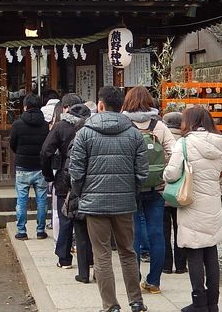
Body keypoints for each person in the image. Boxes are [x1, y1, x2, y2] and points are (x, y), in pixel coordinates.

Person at [70, 86, 149, 312]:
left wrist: (82, 192)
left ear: (100, 105)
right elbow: (142, 172)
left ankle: (110, 305)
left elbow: (76, 171)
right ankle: (136, 301)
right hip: (125, 202)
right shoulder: (134, 133)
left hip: (94, 203)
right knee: (127, 251)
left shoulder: (84, 133)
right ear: (121, 106)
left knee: (102, 253)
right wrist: (131, 191)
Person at [163, 105, 222, 312]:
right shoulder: (221, 143)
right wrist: (218, 189)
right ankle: (212, 303)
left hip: (191, 203)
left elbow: (171, 174)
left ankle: (198, 302)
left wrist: (166, 175)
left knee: (194, 253)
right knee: (211, 252)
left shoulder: (184, 144)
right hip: (212, 204)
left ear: (189, 122)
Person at [121, 86, 176, 295]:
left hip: (130, 187)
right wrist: (163, 169)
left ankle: (134, 280)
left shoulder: (123, 124)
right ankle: (154, 282)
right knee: (157, 234)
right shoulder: (159, 125)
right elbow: (174, 150)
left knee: (132, 235)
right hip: (156, 187)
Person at [41, 94, 85, 268]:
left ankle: (64, 258)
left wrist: (48, 175)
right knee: (84, 219)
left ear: (66, 108)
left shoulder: (60, 126)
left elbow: (45, 151)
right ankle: (87, 259)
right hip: (86, 177)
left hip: (64, 176)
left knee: (65, 216)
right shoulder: (90, 125)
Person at [57, 104, 94, 284]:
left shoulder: (77, 142)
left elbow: (69, 171)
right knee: (97, 236)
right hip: (97, 194)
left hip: (79, 194)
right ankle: (96, 268)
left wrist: (71, 189)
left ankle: (83, 273)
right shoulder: (97, 139)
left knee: (80, 235)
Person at [9, 93, 50, 240]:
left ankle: (21, 231)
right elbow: (48, 147)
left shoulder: (17, 124)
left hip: (22, 167)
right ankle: (40, 231)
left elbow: (12, 144)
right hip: (40, 167)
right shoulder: (46, 125)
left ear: (25, 107)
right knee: (42, 200)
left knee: (21, 200)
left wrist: (20, 153)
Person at [161, 111, 187, 274]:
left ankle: (166, 265)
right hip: (182, 193)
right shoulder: (186, 142)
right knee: (181, 229)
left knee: (163, 230)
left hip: (162, 191)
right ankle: (181, 265)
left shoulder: (161, 139)